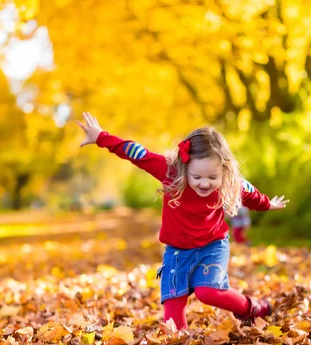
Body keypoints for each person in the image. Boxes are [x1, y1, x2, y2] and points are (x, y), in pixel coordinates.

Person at [76, 112, 289, 330]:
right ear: (184, 167)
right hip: (177, 252)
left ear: (224, 170)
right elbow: (136, 153)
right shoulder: (169, 172)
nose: (205, 183)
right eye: (197, 177)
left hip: (212, 245)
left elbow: (249, 192)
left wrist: (266, 204)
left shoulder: (228, 181)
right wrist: (101, 137)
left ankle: (251, 308)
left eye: (212, 177)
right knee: (172, 323)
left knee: (208, 292)